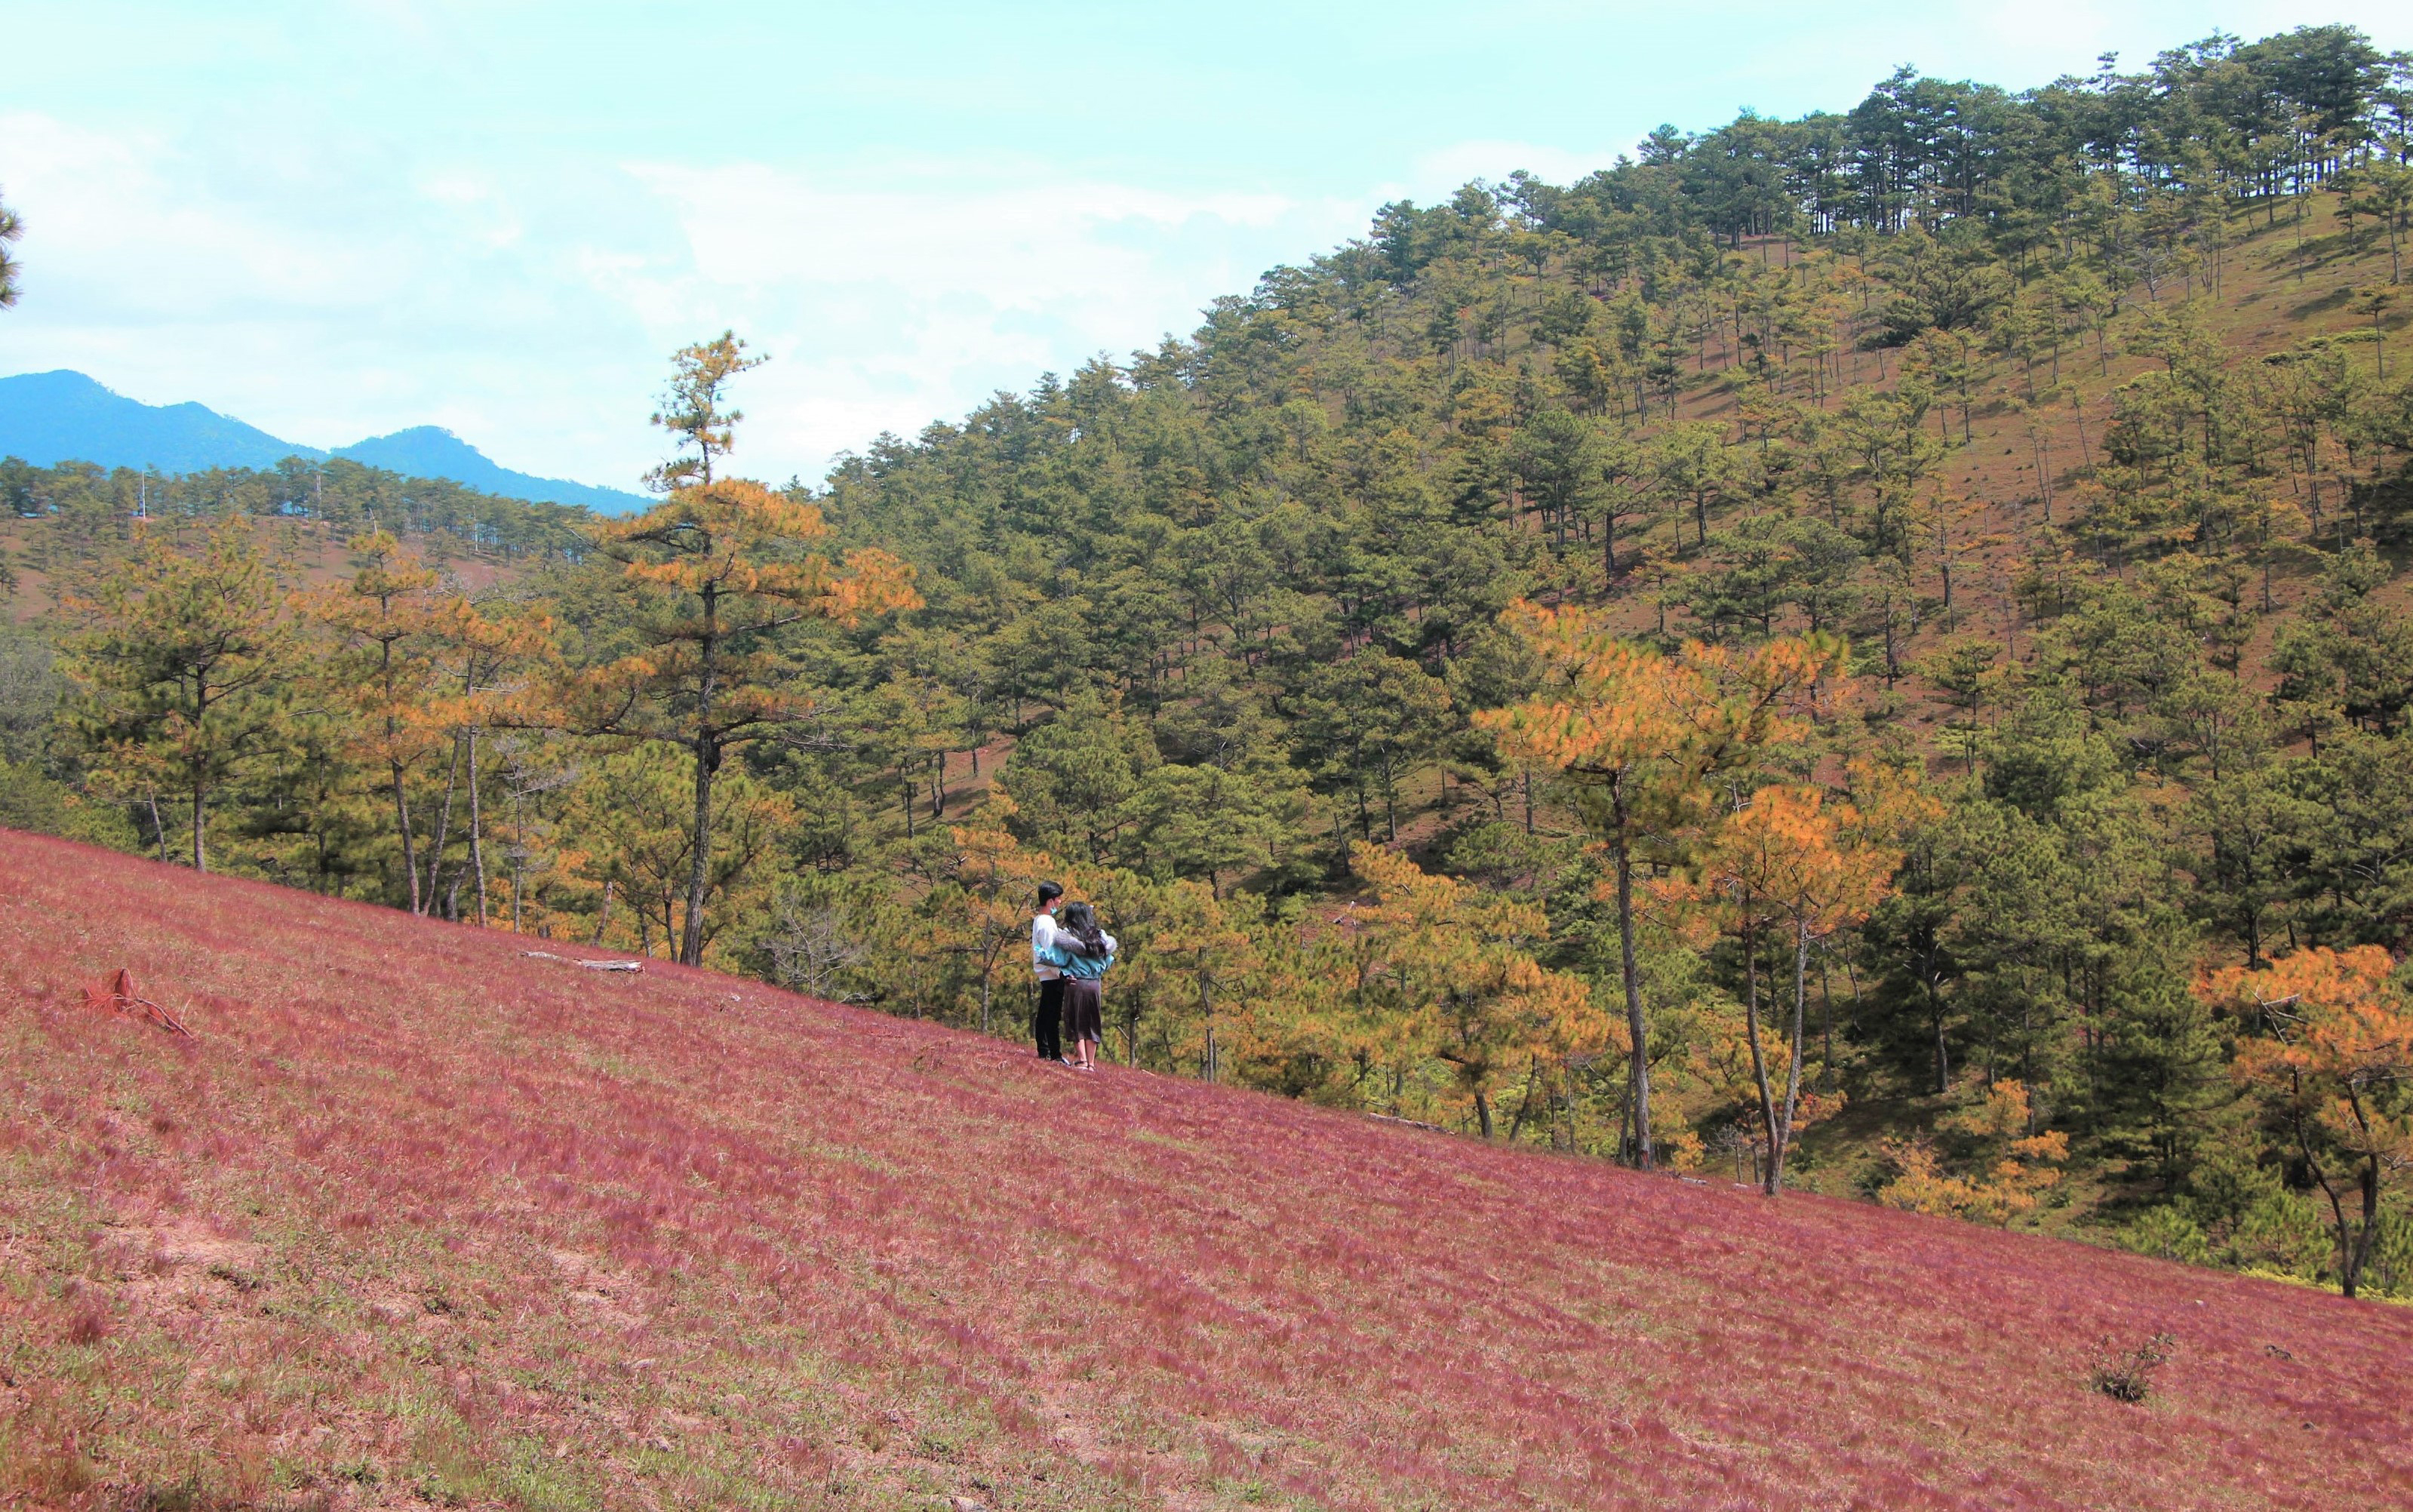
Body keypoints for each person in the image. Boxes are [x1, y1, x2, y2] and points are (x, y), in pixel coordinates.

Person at [1041, 901, 1116, 1072]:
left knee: (1076, 1021)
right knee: (1092, 1022)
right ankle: (1091, 1063)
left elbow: (1055, 958)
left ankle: (1082, 1060)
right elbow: (1109, 960)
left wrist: (1043, 956)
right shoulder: (1099, 936)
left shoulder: (1068, 936)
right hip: (1095, 984)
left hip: (1076, 983)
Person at [1030, 881, 1070, 1065]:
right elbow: (1050, 952)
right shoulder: (1045, 923)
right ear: (1050, 901)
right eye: (1057, 899)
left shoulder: (1042, 920)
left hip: (1048, 974)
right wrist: (1061, 973)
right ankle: (1052, 1052)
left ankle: (1046, 1049)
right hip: (1052, 974)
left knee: (1046, 1012)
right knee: (1051, 1014)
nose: (1060, 902)